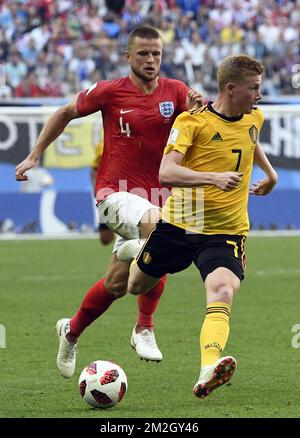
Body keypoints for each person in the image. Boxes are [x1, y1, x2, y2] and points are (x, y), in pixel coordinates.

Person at [15, 25, 202, 378]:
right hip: (113, 194)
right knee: (159, 232)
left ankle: (70, 330)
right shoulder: (110, 92)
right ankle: (144, 327)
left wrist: (196, 111)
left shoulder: (176, 91)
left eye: (157, 54)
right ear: (128, 56)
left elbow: (208, 125)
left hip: (157, 197)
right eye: (144, 53)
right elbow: (65, 112)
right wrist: (34, 155)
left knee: (117, 284)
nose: (151, 60)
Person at [126, 55, 278, 399]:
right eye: (254, 88)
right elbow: (166, 172)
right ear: (231, 88)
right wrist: (212, 178)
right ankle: (136, 250)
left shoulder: (255, 116)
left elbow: (250, 141)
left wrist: (271, 174)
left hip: (226, 230)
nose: (259, 93)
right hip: (182, 222)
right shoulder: (192, 122)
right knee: (135, 285)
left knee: (223, 291)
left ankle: (208, 367)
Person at [91, 140, 115, 245]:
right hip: (109, 192)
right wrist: (96, 188)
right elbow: (94, 169)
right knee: (106, 238)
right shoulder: (103, 144)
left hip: (134, 189)